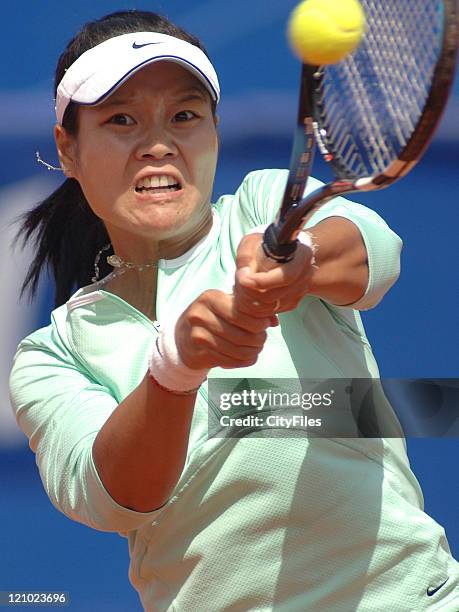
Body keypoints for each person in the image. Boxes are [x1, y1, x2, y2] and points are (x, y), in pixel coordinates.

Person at [9, 10, 459, 612]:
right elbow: (117, 493)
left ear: (214, 131)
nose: (159, 145)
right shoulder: (52, 355)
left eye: (185, 116)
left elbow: (368, 251)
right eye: (121, 120)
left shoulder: (264, 206)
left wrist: (299, 265)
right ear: (68, 148)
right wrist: (175, 369)